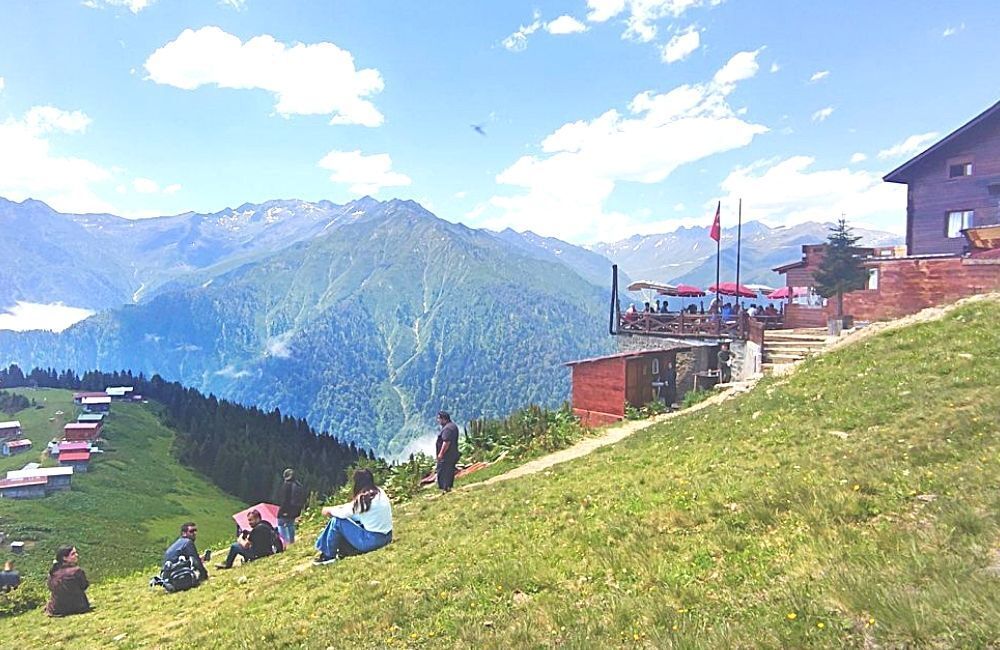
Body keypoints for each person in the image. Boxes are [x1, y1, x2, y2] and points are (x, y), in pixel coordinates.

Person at [314, 469, 393, 565]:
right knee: (347, 520)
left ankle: (328, 555)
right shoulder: (379, 492)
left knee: (337, 521)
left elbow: (343, 513)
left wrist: (329, 510)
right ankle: (330, 549)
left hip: (372, 540)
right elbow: (352, 509)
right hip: (387, 537)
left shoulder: (363, 498)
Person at [45, 546, 90, 617]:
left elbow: (50, 587)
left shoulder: (52, 573)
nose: (76, 555)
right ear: (64, 558)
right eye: (73, 554)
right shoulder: (77, 571)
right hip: (79, 607)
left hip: (57, 609)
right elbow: (84, 585)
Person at [276, 468, 306, 544]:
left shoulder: (287, 485)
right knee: (290, 524)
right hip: (296, 509)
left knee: (281, 524)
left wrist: (282, 511)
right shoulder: (298, 485)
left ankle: (285, 542)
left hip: (287, 509)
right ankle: (291, 541)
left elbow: (285, 500)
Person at [435, 411, 460, 492]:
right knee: (448, 472)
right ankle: (447, 488)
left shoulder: (447, 429)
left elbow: (446, 442)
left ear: (444, 419)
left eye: (439, 418)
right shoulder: (452, 426)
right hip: (452, 454)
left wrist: (441, 454)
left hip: (447, 456)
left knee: (443, 472)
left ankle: (445, 488)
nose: (438, 420)